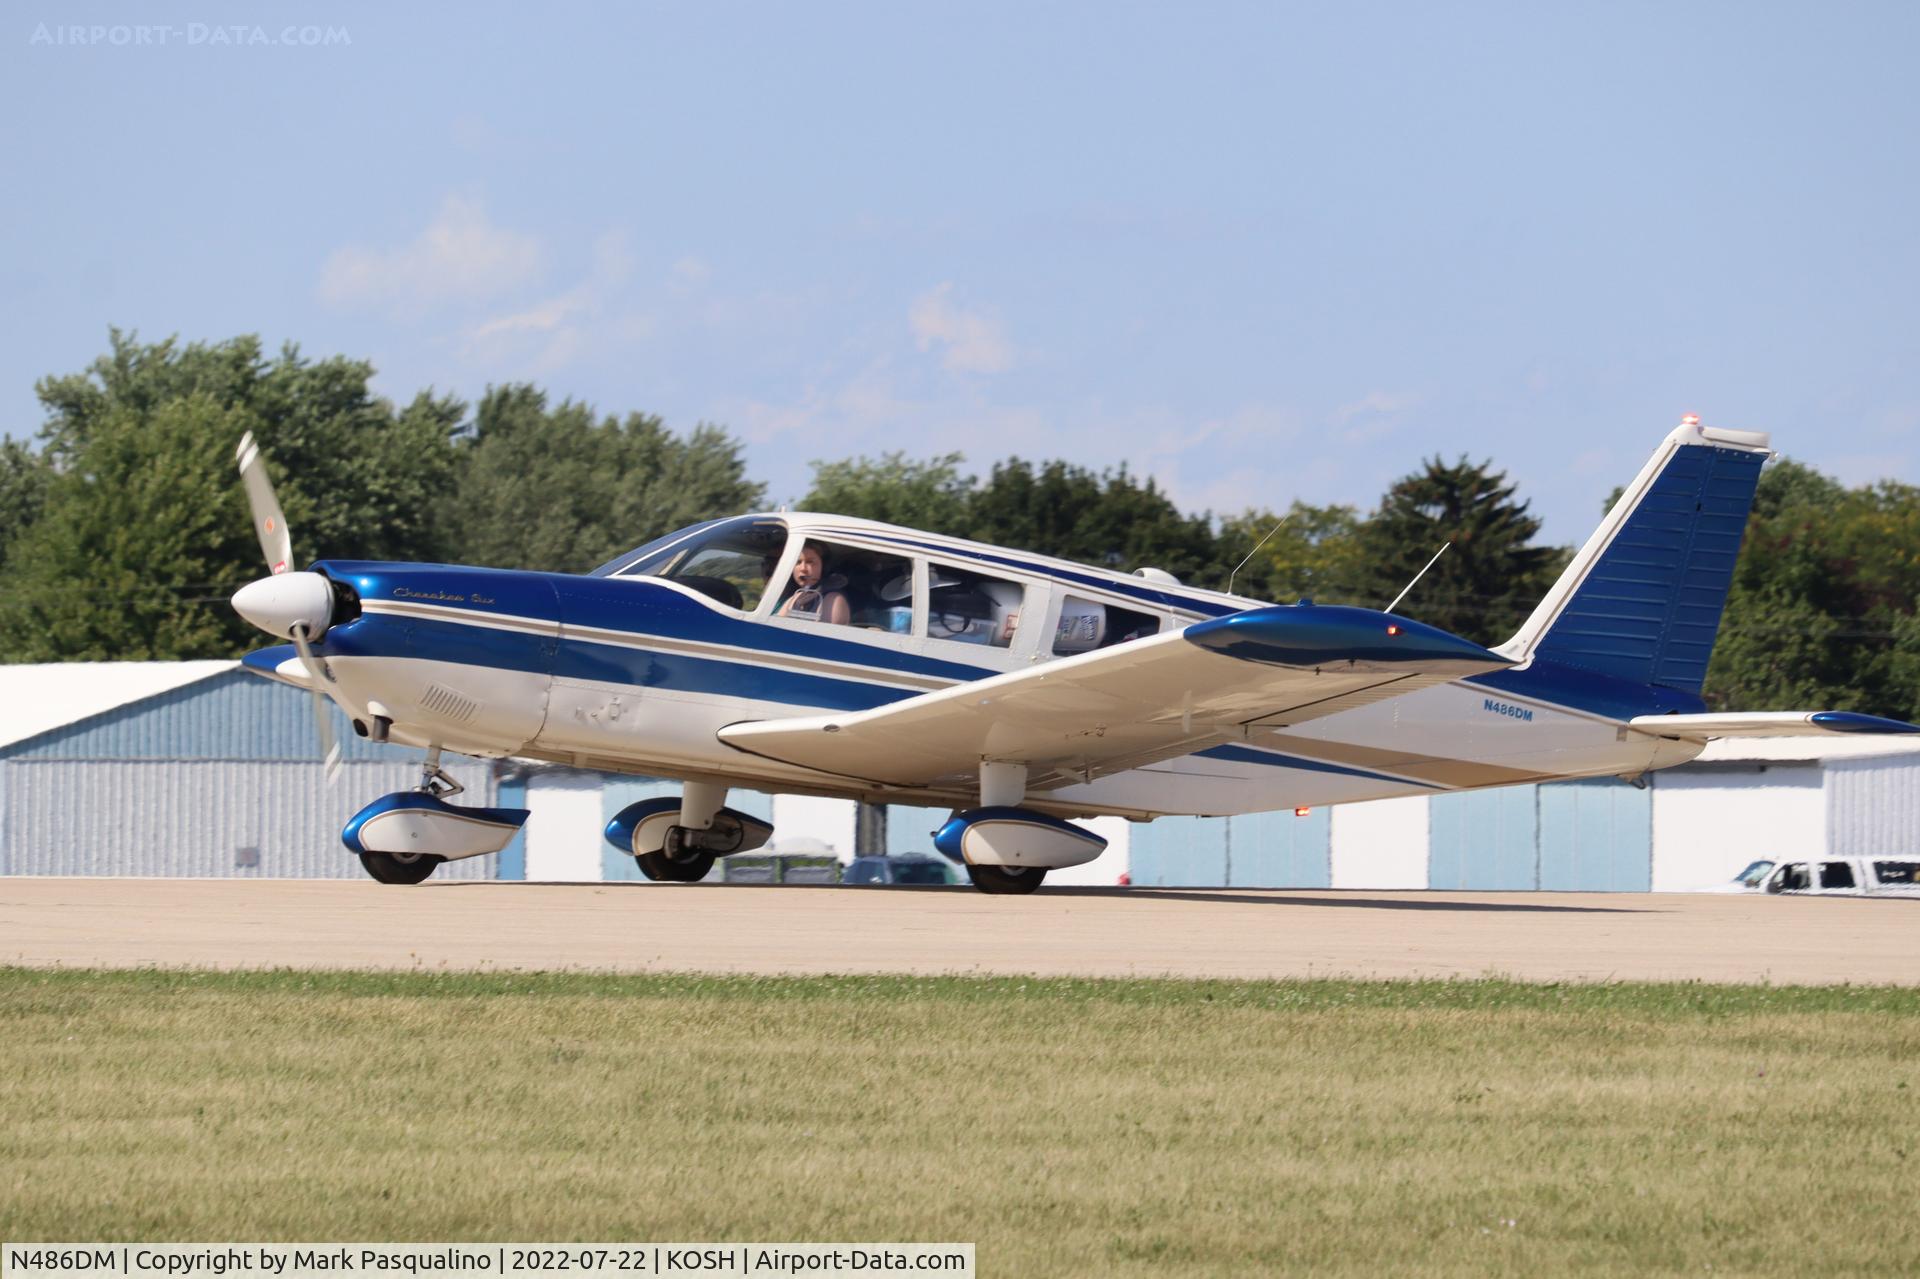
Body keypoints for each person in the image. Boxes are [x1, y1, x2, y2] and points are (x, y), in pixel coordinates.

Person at [777, 543, 851, 625]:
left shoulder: (833, 599)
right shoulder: (796, 597)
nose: (803, 568)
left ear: (824, 567)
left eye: (810, 562)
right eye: (798, 562)